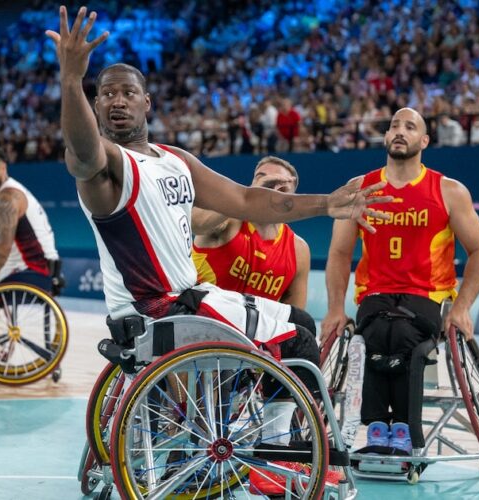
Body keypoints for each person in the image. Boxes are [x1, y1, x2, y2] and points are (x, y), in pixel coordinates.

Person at [45, 6, 391, 490]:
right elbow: (83, 150)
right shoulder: (105, 172)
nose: (116, 102)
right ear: (96, 106)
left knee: (300, 324)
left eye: (127, 93)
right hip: (158, 310)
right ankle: (279, 453)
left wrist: (327, 203)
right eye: (105, 95)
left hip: (189, 300)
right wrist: (70, 81)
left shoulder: (175, 160)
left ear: (147, 103)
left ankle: (269, 443)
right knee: (300, 341)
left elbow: (249, 199)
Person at [321, 107, 479, 453]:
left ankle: (403, 432)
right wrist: (335, 309)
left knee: (400, 334)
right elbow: (339, 253)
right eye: (394, 126)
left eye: (410, 127)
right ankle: (379, 428)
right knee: (373, 334)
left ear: (424, 140)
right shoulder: (359, 189)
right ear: (385, 137)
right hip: (376, 295)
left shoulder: (448, 191)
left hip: (428, 296)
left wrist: (462, 308)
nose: (400, 131)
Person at [192, 156, 311, 309]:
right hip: (205, 324)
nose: (270, 190)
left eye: (280, 186)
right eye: (262, 179)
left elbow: (295, 316)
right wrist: (247, 196)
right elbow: (196, 224)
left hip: (255, 331)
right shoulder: (228, 219)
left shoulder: (298, 250)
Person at [0, 145, 59, 305]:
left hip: (33, 270)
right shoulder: (7, 193)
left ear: (3, 168)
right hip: (36, 267)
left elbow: (2, 248)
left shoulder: (7, 198)